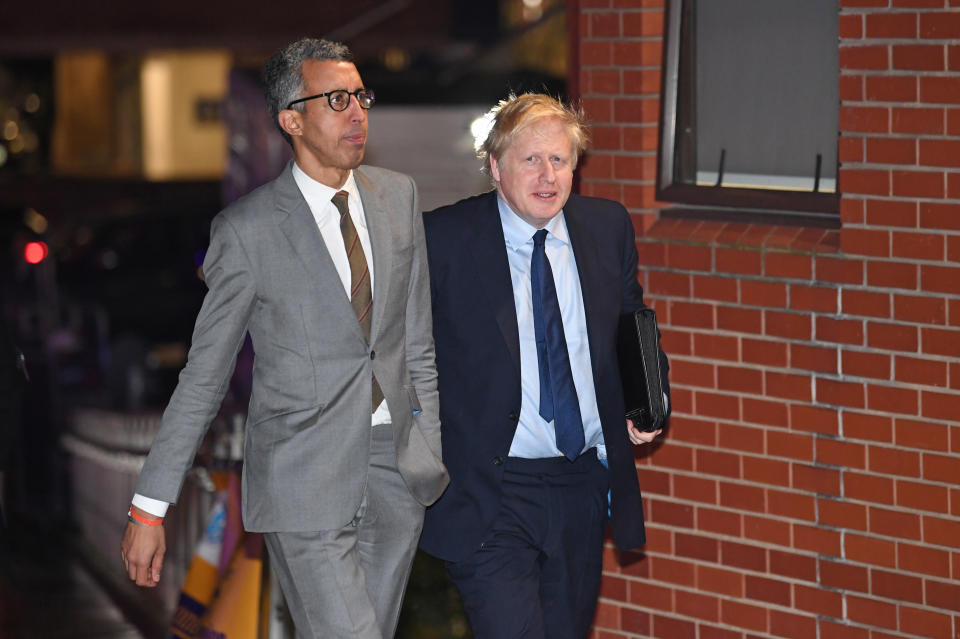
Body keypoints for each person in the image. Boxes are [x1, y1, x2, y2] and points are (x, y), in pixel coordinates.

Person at [121, 37, 448, 639]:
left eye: (361, 96)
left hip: (395, 470)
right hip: (302, 477)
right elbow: (205, 376)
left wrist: (428, 444)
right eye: (337, 100)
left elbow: (416, 342)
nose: (357, 113)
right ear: (291, 120)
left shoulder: (397, 196)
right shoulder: (246, 232)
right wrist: (150, 505)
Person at [419, 93, 670, 639]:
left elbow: (632, 320)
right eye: (530, 159)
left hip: (581, 483)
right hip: (491, 492)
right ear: (495, 166)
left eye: (559, 160)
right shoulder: (444, 238)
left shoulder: (606, 228)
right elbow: (404, 349)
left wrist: (646, 398)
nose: (546, 175)